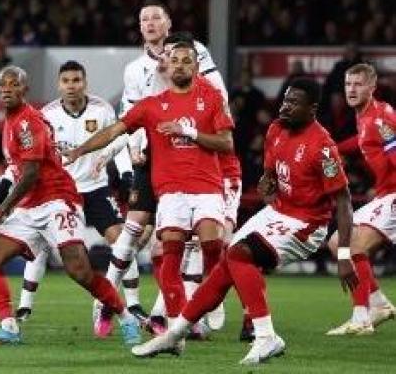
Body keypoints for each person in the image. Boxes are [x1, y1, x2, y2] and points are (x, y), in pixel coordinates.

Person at [130, 77, 358, 365]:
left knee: (240, 254)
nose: (285, 107)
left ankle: (265, 336)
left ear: (312, 109)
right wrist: (268, 182)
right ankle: (175, 335)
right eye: (285, 100)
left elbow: (343, 201)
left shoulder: (322, 146)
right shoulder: (276, 130)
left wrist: (345, 254)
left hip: (307, 224)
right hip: (278, 212)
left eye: (294, 103)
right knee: (227, 262)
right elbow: (271, 174)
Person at [65, 40, 233, 337]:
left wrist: (188, 131)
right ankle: (174, 323)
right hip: (170, 191)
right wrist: (80, 150)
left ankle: (214, 296)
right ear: (166, 67)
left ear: (195, 66)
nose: (180, 64)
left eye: (186, 60)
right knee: (169, 253)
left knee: (211, 245)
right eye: (175, 60)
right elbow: (114, 131)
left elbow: (226, 143)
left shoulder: (211, 98)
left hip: (206, 187)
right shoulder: (152, 106)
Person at [0, 66, 141, 346]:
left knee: (80, 272)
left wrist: (0, 211)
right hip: (30, 206)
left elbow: (31, 173)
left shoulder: (28, 121)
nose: (6, 90)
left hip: (57, 200)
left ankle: (126, 316)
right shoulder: (11, 120)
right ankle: (9, 326)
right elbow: (16, 169)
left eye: (14, 85)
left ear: (25, 90)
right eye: (2, 85)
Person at [114, 2, 225, 333]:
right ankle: (154, 312)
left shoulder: (194, 53)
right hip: (156, 157)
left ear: (168, 23)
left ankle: (206, 307)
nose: (149, 23)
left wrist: (203, 130)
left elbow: (218, 97)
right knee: (155, 240)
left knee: (210, 242)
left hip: (206, 152)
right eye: (143, 18)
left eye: (156, 18)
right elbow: (129, 117)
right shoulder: (134, 69)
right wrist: (131, 150)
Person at [11, 60, 143, 327]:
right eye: (66, 81)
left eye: (76, 80)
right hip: (61, 193)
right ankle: (24, 307)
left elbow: (120, 138)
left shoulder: (102, 109)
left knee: (122, 241)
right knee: (40, 246)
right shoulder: (46, 115)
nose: (71, 86)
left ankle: (135, 304)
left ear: (85, 83)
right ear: (59, 85)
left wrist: (114, 164)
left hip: (95, 189)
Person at [326, 63, 396, 335]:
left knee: (354, 246)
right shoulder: (365, 117)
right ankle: (378, 304)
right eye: (348, 84)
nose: (352, 89)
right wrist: (335, 148)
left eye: (358, 84)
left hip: (392, 197)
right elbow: (362, 140)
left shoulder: (382, 118)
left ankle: (361, 318)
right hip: (384, 196)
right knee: (337, 242)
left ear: (372, 87)